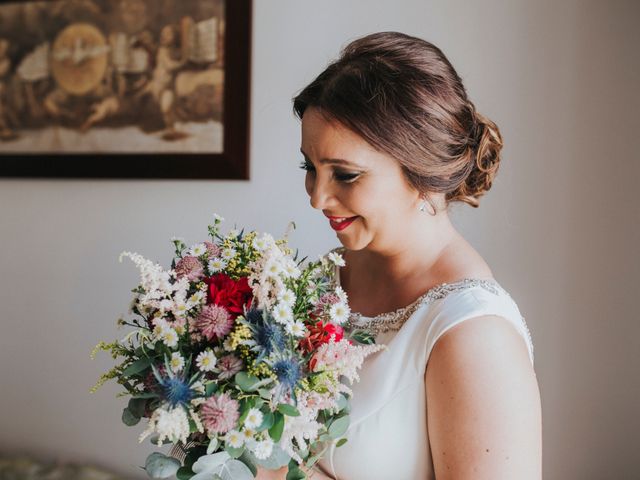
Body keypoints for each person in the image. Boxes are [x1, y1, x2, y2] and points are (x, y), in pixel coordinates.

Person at [259, 31, 542, 480]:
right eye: (309, 168)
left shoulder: (475, 335)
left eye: (346, 175)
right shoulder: (316, 282)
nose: (317, 198)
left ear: (421, 170)